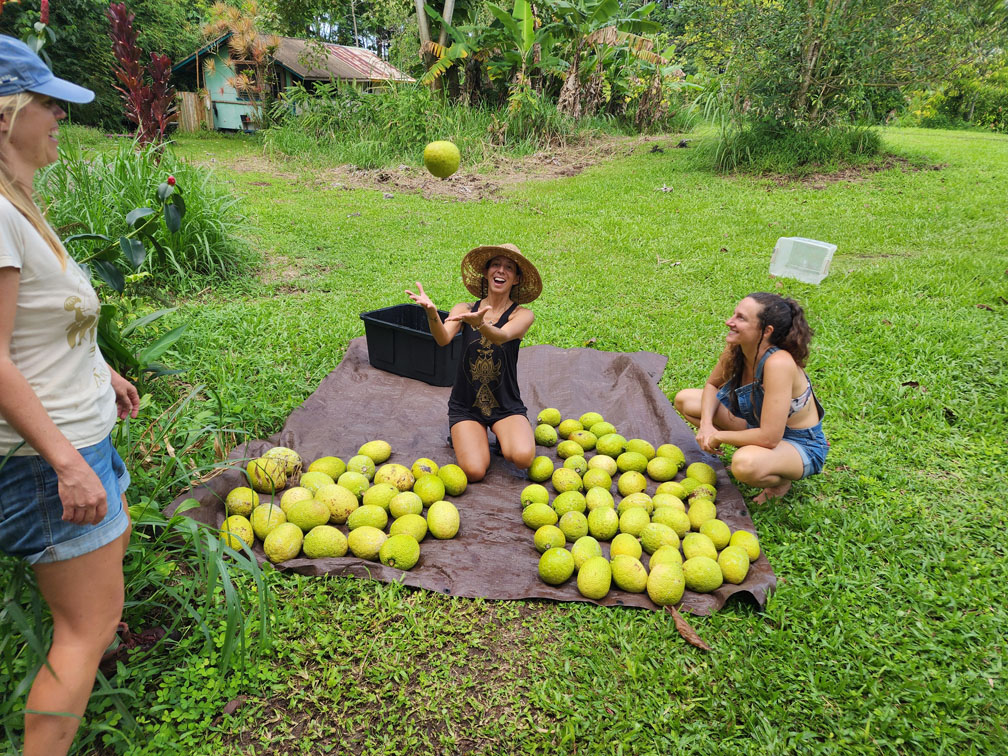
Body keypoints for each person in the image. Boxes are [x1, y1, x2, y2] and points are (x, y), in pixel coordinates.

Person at [0, 35, 139, 756]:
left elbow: (41, 330)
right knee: (82, 630)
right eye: (49, 103)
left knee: (96, 612)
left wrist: (101, 373)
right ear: (6, 112)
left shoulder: (19, 203)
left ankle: (93, 694)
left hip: (74, 438)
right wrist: (64, 460)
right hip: (42, 458)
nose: (60, 115)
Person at [674, 292, 827, 504]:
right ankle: (761, 455)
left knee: (744, 464)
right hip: (759, 426)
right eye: (734, 315)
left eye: (741, 318)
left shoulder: (778, 363)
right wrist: (707, 426)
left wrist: (719, 437)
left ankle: (779, 481)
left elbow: (769, 438)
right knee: (686, 400)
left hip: (798, 443)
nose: (730, 322)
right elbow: (712, 385)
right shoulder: (738, 347)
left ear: (766, 331)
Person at [406, 244, 541, 482]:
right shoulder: (465, 309)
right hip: (466, 405)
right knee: (474, 471)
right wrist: (431, 312)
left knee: (522, 458)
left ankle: (503, 436)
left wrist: (480, 324)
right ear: (487, 272)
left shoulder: (522, 315)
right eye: (496, 265)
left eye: (509, 267)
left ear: (517, 279)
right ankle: (463, 432)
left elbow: (501, 336)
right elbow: (443, 338)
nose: (501, 271)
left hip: (505, 404)